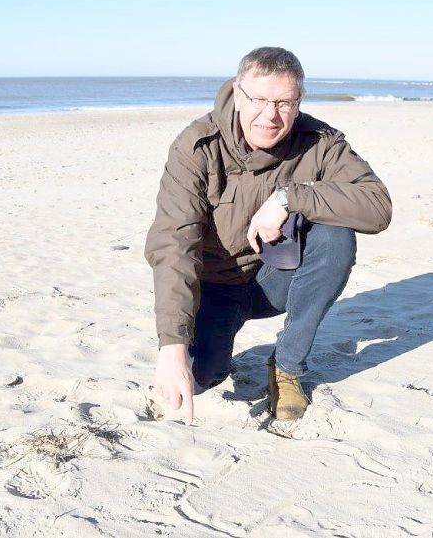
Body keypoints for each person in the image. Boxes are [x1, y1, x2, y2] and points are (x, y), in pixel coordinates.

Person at [144, 47, 392, 424]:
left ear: (298, 101)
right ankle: (205, 351)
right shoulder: (197, 146)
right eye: (258, 99)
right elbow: (173, 246)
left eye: (284, 103)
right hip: (214, 286)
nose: (270, 115)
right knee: (200, 377)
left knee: (336, 233)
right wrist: (172, 348)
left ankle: (288, 366)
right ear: (237, 93)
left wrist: (289, 197)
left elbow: (377, 207)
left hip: (275, 278)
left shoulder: (319, 141)